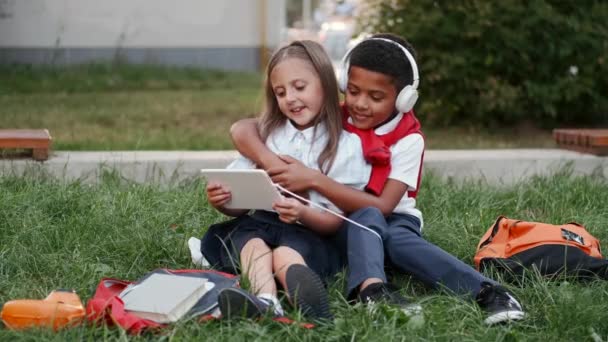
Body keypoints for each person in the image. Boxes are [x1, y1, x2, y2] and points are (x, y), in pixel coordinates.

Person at [229, 33, 526, 325]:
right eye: (354, 91)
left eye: (376, 97)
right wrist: (271, 164)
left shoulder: (409, 140)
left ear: (404, 99)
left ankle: (486, 292)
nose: (360, 104)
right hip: (336, 220)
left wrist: (314, 180)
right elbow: (244, 129)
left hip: (392, 218)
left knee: (388, 234)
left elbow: (383, 206)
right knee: (340, 229)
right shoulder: (337, 116)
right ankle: (366, 288)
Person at [200, 40, 371, 321]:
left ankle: (303, 296)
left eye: (299, 87)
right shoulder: (268, 134)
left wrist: (303, 212)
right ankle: (265, 299)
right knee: (251, 243)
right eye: (281, 92)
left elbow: (335, 221)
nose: (290, 98)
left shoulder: (345, 145)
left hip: (308, 230)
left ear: (326, 84)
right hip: (261, 221)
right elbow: (241, 202)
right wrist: (224, 201)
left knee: (286, 254)